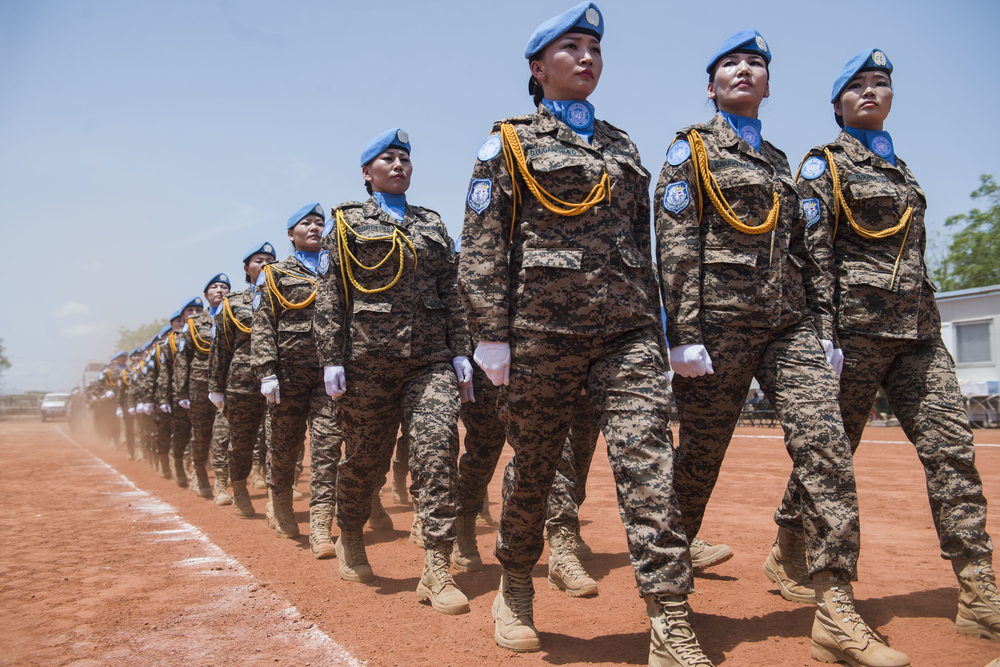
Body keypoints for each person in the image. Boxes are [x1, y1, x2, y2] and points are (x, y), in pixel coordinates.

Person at [458, 4, 710, 662]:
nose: (587, 58)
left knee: (646, 464)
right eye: (571, 48)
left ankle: (670, 617)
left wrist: (664, 330)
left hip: (625, 332)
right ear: (538, 68)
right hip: (542, 330)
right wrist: (491, 332)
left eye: (595, 47)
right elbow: (481, 242)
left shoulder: (623, 144)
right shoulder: (508, 140)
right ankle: (515, 580)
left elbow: (644, 244)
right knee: (537, 468)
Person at [656, 31, 910, 666]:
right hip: (719, 329)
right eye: (731, 65)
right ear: (711, 85)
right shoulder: (689, 150)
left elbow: (806, 253)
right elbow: (677, 244)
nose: (745, 72)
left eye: (757, 65)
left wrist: (823, 331)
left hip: (787, 325)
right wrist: (683, 335)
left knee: (827, 446)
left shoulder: (776, 160)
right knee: (698, 462)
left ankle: (834, 604)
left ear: (769, 85)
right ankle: (668, 597)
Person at [767, 48, 998, 646]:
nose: (872, 92)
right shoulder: (823, 167)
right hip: (853, 335)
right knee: (831, 458)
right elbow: (810, 255)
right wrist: (820, 335)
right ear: (838, 106)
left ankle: (977, 587)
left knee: (952, 452)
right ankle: (790, 543)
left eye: (881, 84)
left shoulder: (904, 171)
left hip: (917, 335)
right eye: (858, 86)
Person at [314, 128, 474, 616]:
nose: (400, 164)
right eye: (388, 158)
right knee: (365, 460)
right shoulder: (344, 223)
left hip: (429, 361)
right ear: (367, 172)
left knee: (438, 449)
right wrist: (331, 358)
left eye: (405, 157)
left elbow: (451, 288)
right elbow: (330, 294)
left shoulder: (431, 221)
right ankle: (351, 535)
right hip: (367, 361)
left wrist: (461, 350)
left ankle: (437, 568)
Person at [251, 203, 340, 548]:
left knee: (327, 446)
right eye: (307, 223)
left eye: (320, 223)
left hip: (326, 374)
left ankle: (320, 523)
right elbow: (263, 325)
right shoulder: (273, 274)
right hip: (287, 375)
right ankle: (282, 505)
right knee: (284, 447)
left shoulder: (336, 267)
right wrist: (266, 372)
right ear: (291, 234)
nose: (316, 228)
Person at [209, 241, 277, 518]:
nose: (265, 264)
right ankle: (238, 488)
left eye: (271, 260)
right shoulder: (233, 303)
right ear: (247, 268)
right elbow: (221, 348)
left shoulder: (285, 294)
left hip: (279, 381)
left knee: (279, 442)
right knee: (242, 442)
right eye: (259, 260)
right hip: (242, 383)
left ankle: (277, 497)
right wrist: (216, 387)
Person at [175, 277, 230, 500]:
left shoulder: (235, 315)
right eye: (214, 287)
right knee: (201, 435)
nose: (220, 290)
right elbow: (182, 360)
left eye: (224, 287)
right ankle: (199, 473)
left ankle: (220, 484)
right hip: (199, 387)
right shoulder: (194, 323)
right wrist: (181, 393)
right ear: (207, 294)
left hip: (227, 386)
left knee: (222, 435)